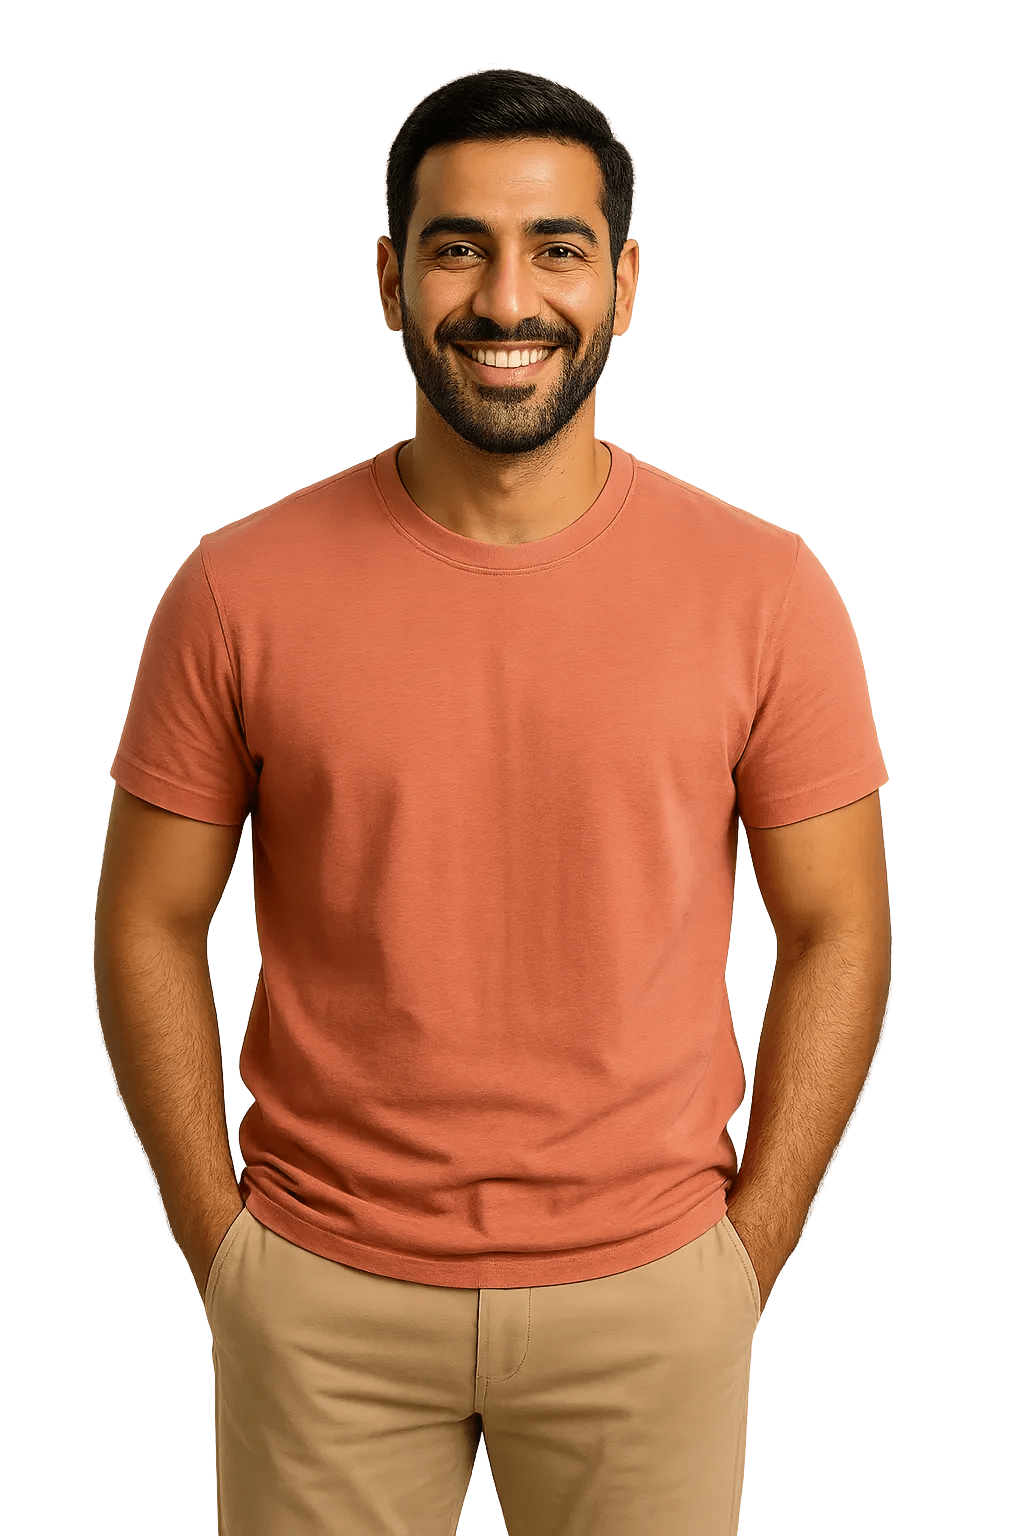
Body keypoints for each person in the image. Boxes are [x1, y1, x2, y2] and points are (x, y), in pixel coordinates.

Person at [92, 65, 893, 1536]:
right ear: (390, 279)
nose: (507, 299)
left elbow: (840, 929)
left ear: (624, 284)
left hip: (650, 1294)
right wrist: (225, 1250)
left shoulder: (767, 589)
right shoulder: (233, 588)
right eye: (458, 247)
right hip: (322, 1295)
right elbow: (146, 921)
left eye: (556, 248)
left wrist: (745, 1258)